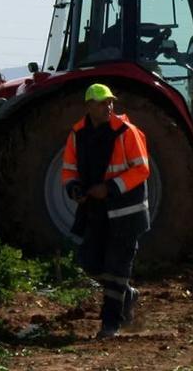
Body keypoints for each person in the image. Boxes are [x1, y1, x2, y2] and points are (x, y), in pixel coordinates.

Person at [61, 83, 151, 338]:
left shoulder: (127, 131)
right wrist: (74, 188)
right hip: (96, 211)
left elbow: (142, 169)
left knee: (117, 267)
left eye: (110, 102)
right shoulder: (77, 134)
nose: (108, 106)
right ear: (88, 105)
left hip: (127, 212)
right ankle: (128, 295)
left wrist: (110, 187)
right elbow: (68, 170)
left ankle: (110, 323)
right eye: (102, 103)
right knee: (89, 261)